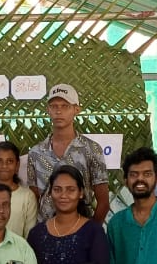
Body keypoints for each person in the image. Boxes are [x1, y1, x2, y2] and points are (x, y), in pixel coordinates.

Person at [27, 166, 109, 264]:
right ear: (50, 193)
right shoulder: (36, 234)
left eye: (70, 190)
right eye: (57, 189)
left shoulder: (93, 232)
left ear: (81, 193)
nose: (63, 195)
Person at [28, 85, 108, 224]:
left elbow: (103, 202)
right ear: (48, 110)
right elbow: (34, 199)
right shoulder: (35, 152)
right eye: (54, 106)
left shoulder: (91, 149)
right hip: (45, 230)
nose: (59, 111)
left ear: (76, 110)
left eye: (65, 106)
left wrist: (91, 232)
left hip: (81, 228)